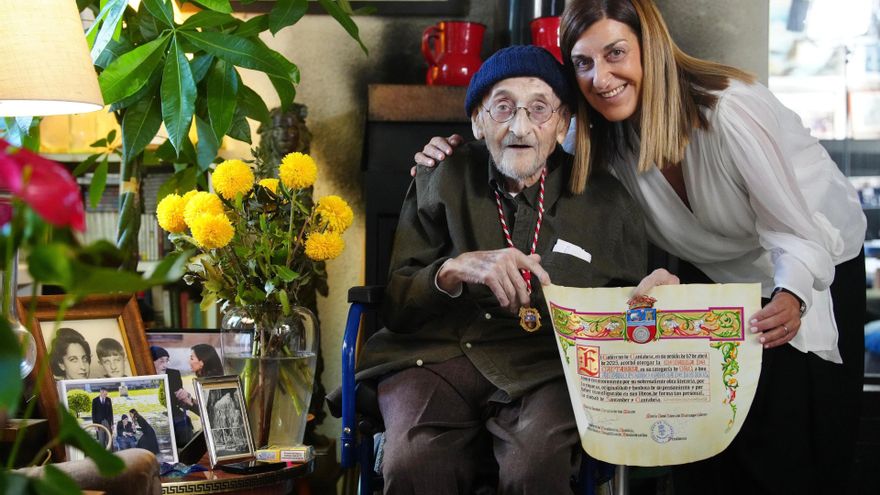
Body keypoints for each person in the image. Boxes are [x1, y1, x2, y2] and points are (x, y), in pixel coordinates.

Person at [414, 1, 867, 493]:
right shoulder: (596, 134)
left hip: (807, 262)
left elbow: (793, 227)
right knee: (706, 442)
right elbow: (524, 145)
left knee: (790, 446)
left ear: (649, 48)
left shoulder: (730, 111)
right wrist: (451, 156)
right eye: (583, 63)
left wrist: (792, 294)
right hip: (710, 272)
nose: (601, 77)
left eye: (615, 54)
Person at [357, 45, 646, 494]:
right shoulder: (442, 175)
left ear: (563, 123)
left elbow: (630, 314)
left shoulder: (605, 199)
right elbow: (397, 304)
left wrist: (659, 298)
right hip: (437, 356)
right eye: (503, 108)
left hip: (547, 367)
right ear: (478, 122)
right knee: (413, 461)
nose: (520, 126)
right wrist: (451, 270)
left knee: (535, 465)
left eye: (539, 109)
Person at [151, 345, 197, 446]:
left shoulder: (173, 374)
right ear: (151, 361)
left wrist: (186, 397)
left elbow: (180, 401)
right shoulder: (143, 375)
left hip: (173, 413)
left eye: (167, 361)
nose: (165, 365)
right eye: (161, 361)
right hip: (154, 414)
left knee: (182, 424)